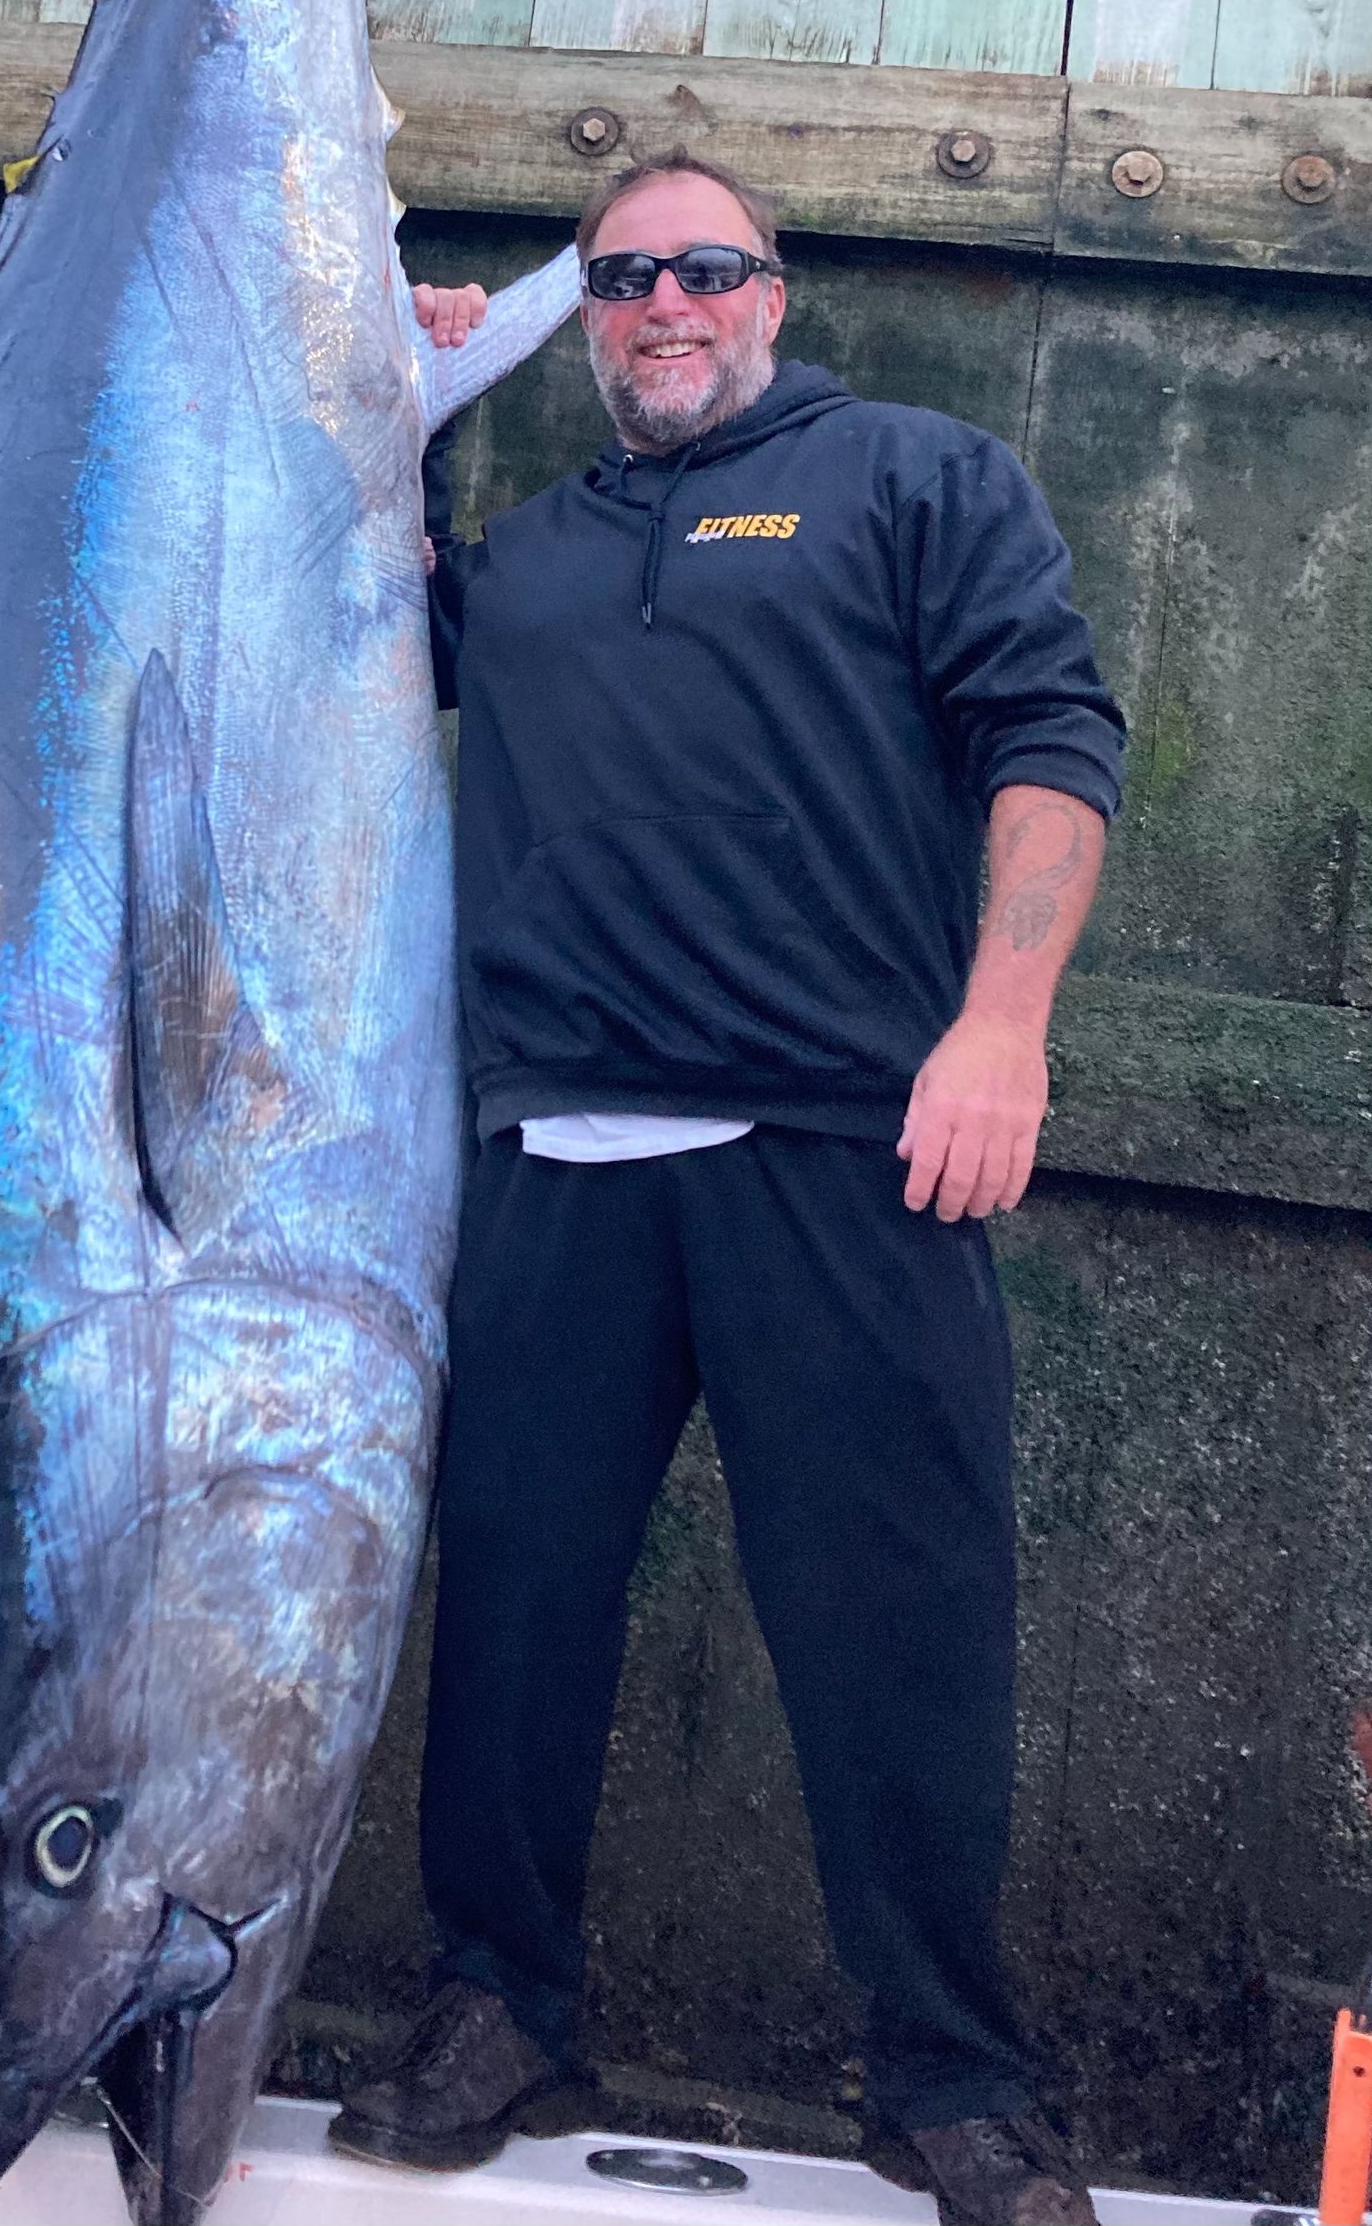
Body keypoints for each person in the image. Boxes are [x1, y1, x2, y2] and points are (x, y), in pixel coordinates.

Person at [352, 159, 1126, 2226]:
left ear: (774, 295)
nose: (662, 302)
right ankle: (500, 2005)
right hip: (552, 1156)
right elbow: (321, 614)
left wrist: (1003, 1028)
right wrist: (397, 399)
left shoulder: (914, 480)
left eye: (704, 267)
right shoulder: (522, 557)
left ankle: (954, 2076)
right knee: (509, 1615)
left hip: (843, 1147)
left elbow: (1053, 735)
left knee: (902, 1625)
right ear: (586, 320)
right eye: (619, 279)